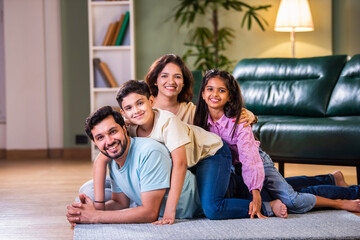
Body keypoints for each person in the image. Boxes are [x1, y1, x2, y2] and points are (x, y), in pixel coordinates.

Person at [145, 53, 360, 201]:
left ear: (184, 82)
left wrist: (248, 115)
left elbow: (228, 114)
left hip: (223, 164)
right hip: (179, 171)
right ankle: (330, 179)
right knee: (275, 187)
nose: (170, 81)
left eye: (177, 76)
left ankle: (342, 191)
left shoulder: (192, 111)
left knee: (275, 193)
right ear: (155, 80)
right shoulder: (143, 107)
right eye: (164, 76)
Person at [89, 80, 289, 225]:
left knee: (212, 208)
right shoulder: (128, 128)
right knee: (228, 189)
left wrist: (169, 211)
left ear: (151, 100)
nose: (136, 111)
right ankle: (259, 190)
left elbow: (180, 164)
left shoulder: (167, 122)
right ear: (123, 115)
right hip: (194, 161)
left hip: (212, 153)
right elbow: (104, 154)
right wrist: (98, 204)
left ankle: (266, 206)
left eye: (140, 103)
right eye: (129, 108)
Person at [192, 68, 360, 215]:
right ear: (203, 94)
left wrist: (255, 191)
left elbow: (250, 157)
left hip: (258, 162)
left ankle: (341, 202)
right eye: (210, 89)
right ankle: (332, 179)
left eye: (221, 90)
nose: (214, 94)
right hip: (236, 168)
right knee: (279, 192)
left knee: (291, 200)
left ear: (229, 97)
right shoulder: (199, 118)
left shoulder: (239, 121)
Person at [66, 106, 203, 225]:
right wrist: (83, 212)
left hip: (193, 207)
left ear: (124, 130)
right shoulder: (114, 161)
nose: (109, 141)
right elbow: (120, 203)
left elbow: (150, 213)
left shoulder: (150, 152)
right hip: (142, 197)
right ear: (95, 142)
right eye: (100, 137)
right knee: (86, 192)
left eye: (113, 132)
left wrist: (95, 217)